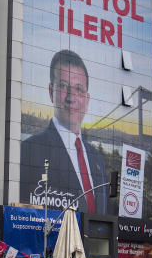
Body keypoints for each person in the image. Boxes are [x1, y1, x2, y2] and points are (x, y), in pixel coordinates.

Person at [20, 50, 109, 214]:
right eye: (63, 86)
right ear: (50, 91)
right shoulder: (28, 151)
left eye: (79, 89)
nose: (71, 97)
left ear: (87, 99)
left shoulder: (97, 159)